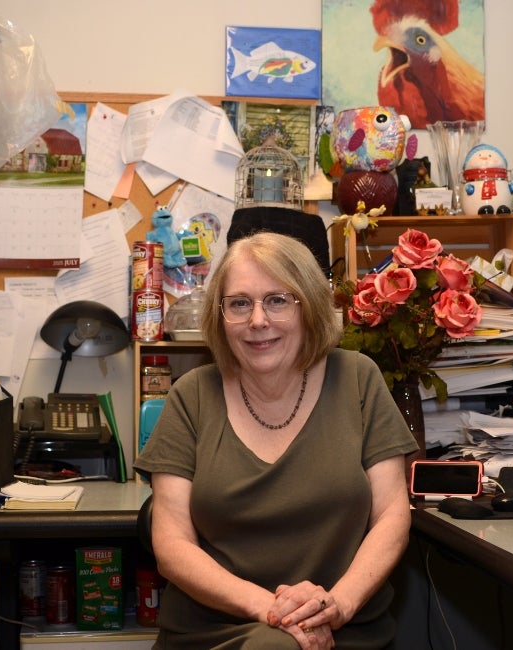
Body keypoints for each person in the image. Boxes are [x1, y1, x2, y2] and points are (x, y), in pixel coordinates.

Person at [134, 231, 420, 649]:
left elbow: (393, 517)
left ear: (309, 307)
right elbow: (172, 545)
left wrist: (336, 605)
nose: (257, 320)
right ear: (220, 315)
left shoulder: (358, 379)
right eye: (239, 304)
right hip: (214, 631)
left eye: (277, 300)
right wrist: (271, 610)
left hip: (341, 627)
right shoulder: (192, 395)